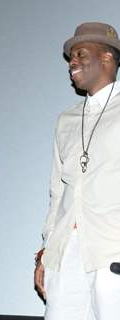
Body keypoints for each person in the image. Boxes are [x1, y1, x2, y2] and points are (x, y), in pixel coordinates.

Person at [34, 22, 120, 320]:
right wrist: (47, 250)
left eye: (80, 53)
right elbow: (58, 190)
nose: (72, 61)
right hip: (66, 248)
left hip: (112, 247)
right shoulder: (66, 119)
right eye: (71, 56)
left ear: (107, 58)